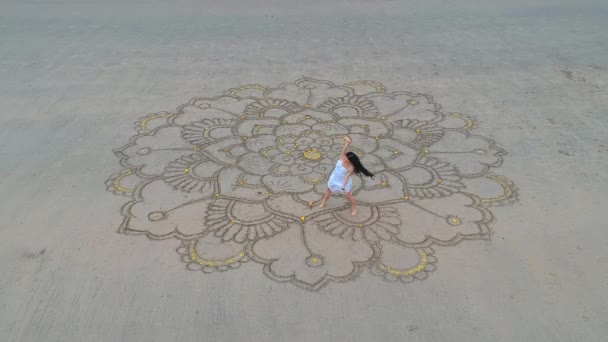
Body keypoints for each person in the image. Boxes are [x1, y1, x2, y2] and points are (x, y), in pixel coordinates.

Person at [319, 136, 374, 216]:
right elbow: (344, 150)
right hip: (334, 179)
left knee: (349, 196)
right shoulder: (342, 158)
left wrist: (343, 186)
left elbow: (346, 177)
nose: (344, 157)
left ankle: (354, 208)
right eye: (345, 156)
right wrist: (348, 143)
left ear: (350, 161)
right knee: (328, 190)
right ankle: (323, 202)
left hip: (343, 182)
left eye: (346, 158)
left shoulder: (351, 168)